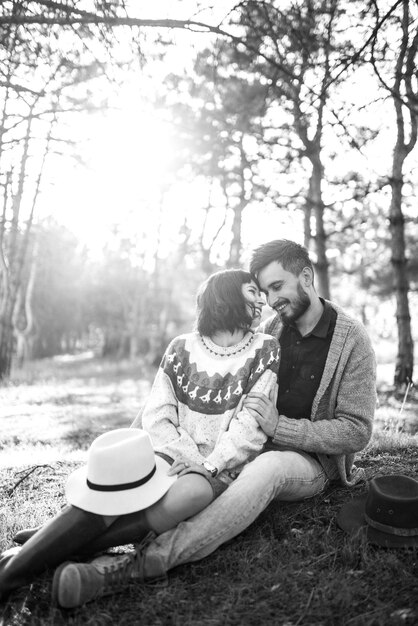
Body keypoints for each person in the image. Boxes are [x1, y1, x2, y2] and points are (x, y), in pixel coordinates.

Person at [42, 238, 377, 607]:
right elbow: (213, 362)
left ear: (307, 277)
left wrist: (281, 428)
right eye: (264, 290)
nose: (269, 299)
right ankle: (66, 532)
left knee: (267, 466)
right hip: (243, 447)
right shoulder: (269, 330)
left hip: (307, 461)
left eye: (277, 286)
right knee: (156, 405)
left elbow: (357, 430)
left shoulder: (351, 339)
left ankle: (139, 565)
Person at [0, 269, 280, 606]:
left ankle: (53, 545)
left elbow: (250, 424)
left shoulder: (266, 348)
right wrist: (183, 452)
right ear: (227, 296)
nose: (261, 300)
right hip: (168, 451)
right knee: (116, 482)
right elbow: (157, 413)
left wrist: (208, 464)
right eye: (252, 292)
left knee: (190, 493)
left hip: (217, 465)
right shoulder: (181, 347)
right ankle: (12, 573)